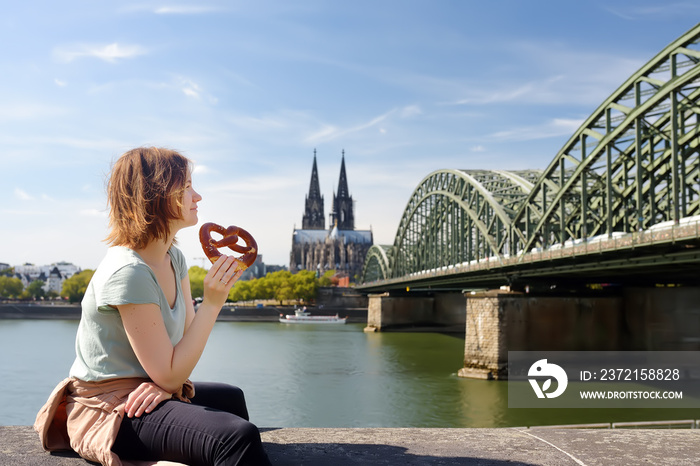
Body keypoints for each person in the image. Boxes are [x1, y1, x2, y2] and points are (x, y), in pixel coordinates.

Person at [34, 147, 272, 466]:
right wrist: (213, 303)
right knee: (235, 436)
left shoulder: (174, 258)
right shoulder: (129, 271)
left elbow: (181, 352)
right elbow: (172, 373)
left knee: (232, 398)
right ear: (157, 195)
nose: (197, 196)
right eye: (187, 186)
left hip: (145, 390)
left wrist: (165, 387)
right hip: (112, 409)